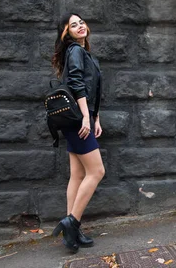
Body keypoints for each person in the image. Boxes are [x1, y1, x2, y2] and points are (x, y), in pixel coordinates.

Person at [50, 13, 105, 253]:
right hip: (77, 120)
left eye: (81, 22)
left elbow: (90, 87)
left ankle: (72, 232)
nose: (80, 26)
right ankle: (71, 222)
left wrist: (95, 117)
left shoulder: (82, 52)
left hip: (79, 118)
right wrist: (86, 117)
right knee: (97, 171)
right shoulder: (75, 51)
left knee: (77, 174)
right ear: (67, 34)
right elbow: (76, 83)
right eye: (73, 25)